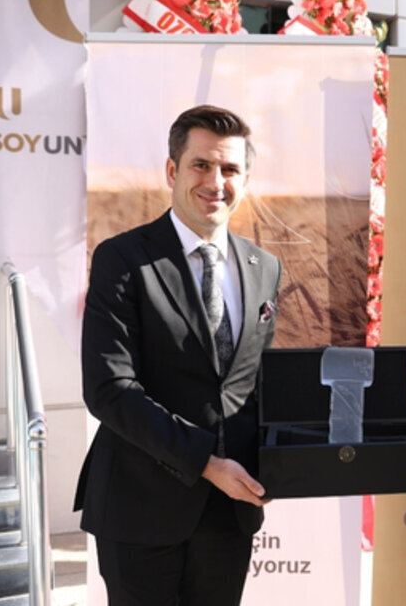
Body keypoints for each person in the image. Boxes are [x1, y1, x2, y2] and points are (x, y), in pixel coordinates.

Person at [73, 105, 282, 606]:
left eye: (230, 169)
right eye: (201, 165)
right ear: (172, 171)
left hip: (229, 513)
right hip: (139, 506)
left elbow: (257, 385)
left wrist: (286, 462)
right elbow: (109, 390)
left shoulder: (265, 267)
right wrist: (205, 462)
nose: (216, 182)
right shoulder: (123, 258)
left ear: (245, 179)